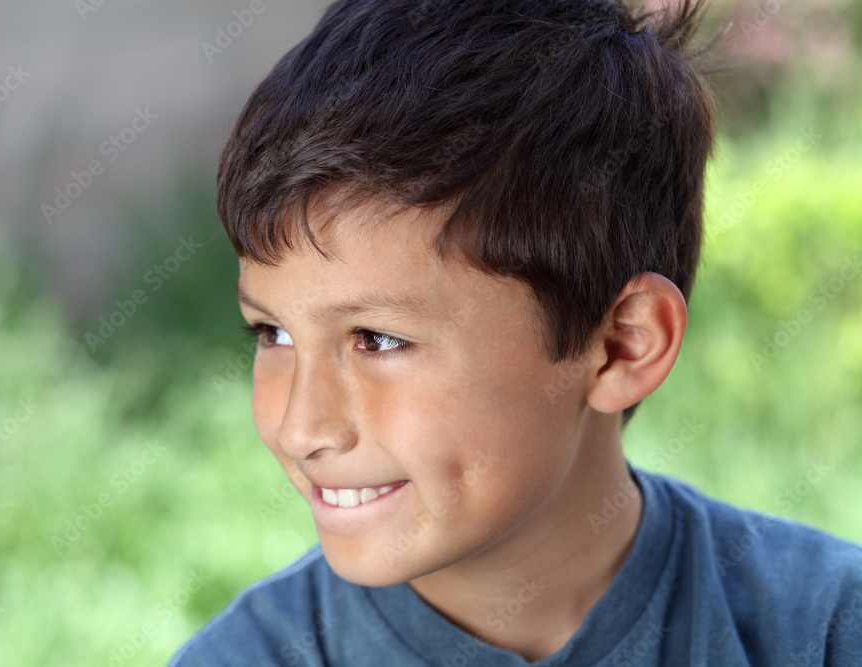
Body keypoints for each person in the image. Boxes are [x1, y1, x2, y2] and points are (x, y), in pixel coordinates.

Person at [168, 0, 862, 664]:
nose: (301, 427)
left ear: (624, 343)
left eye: (377, 339)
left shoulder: (828, 629)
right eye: (272, 333)